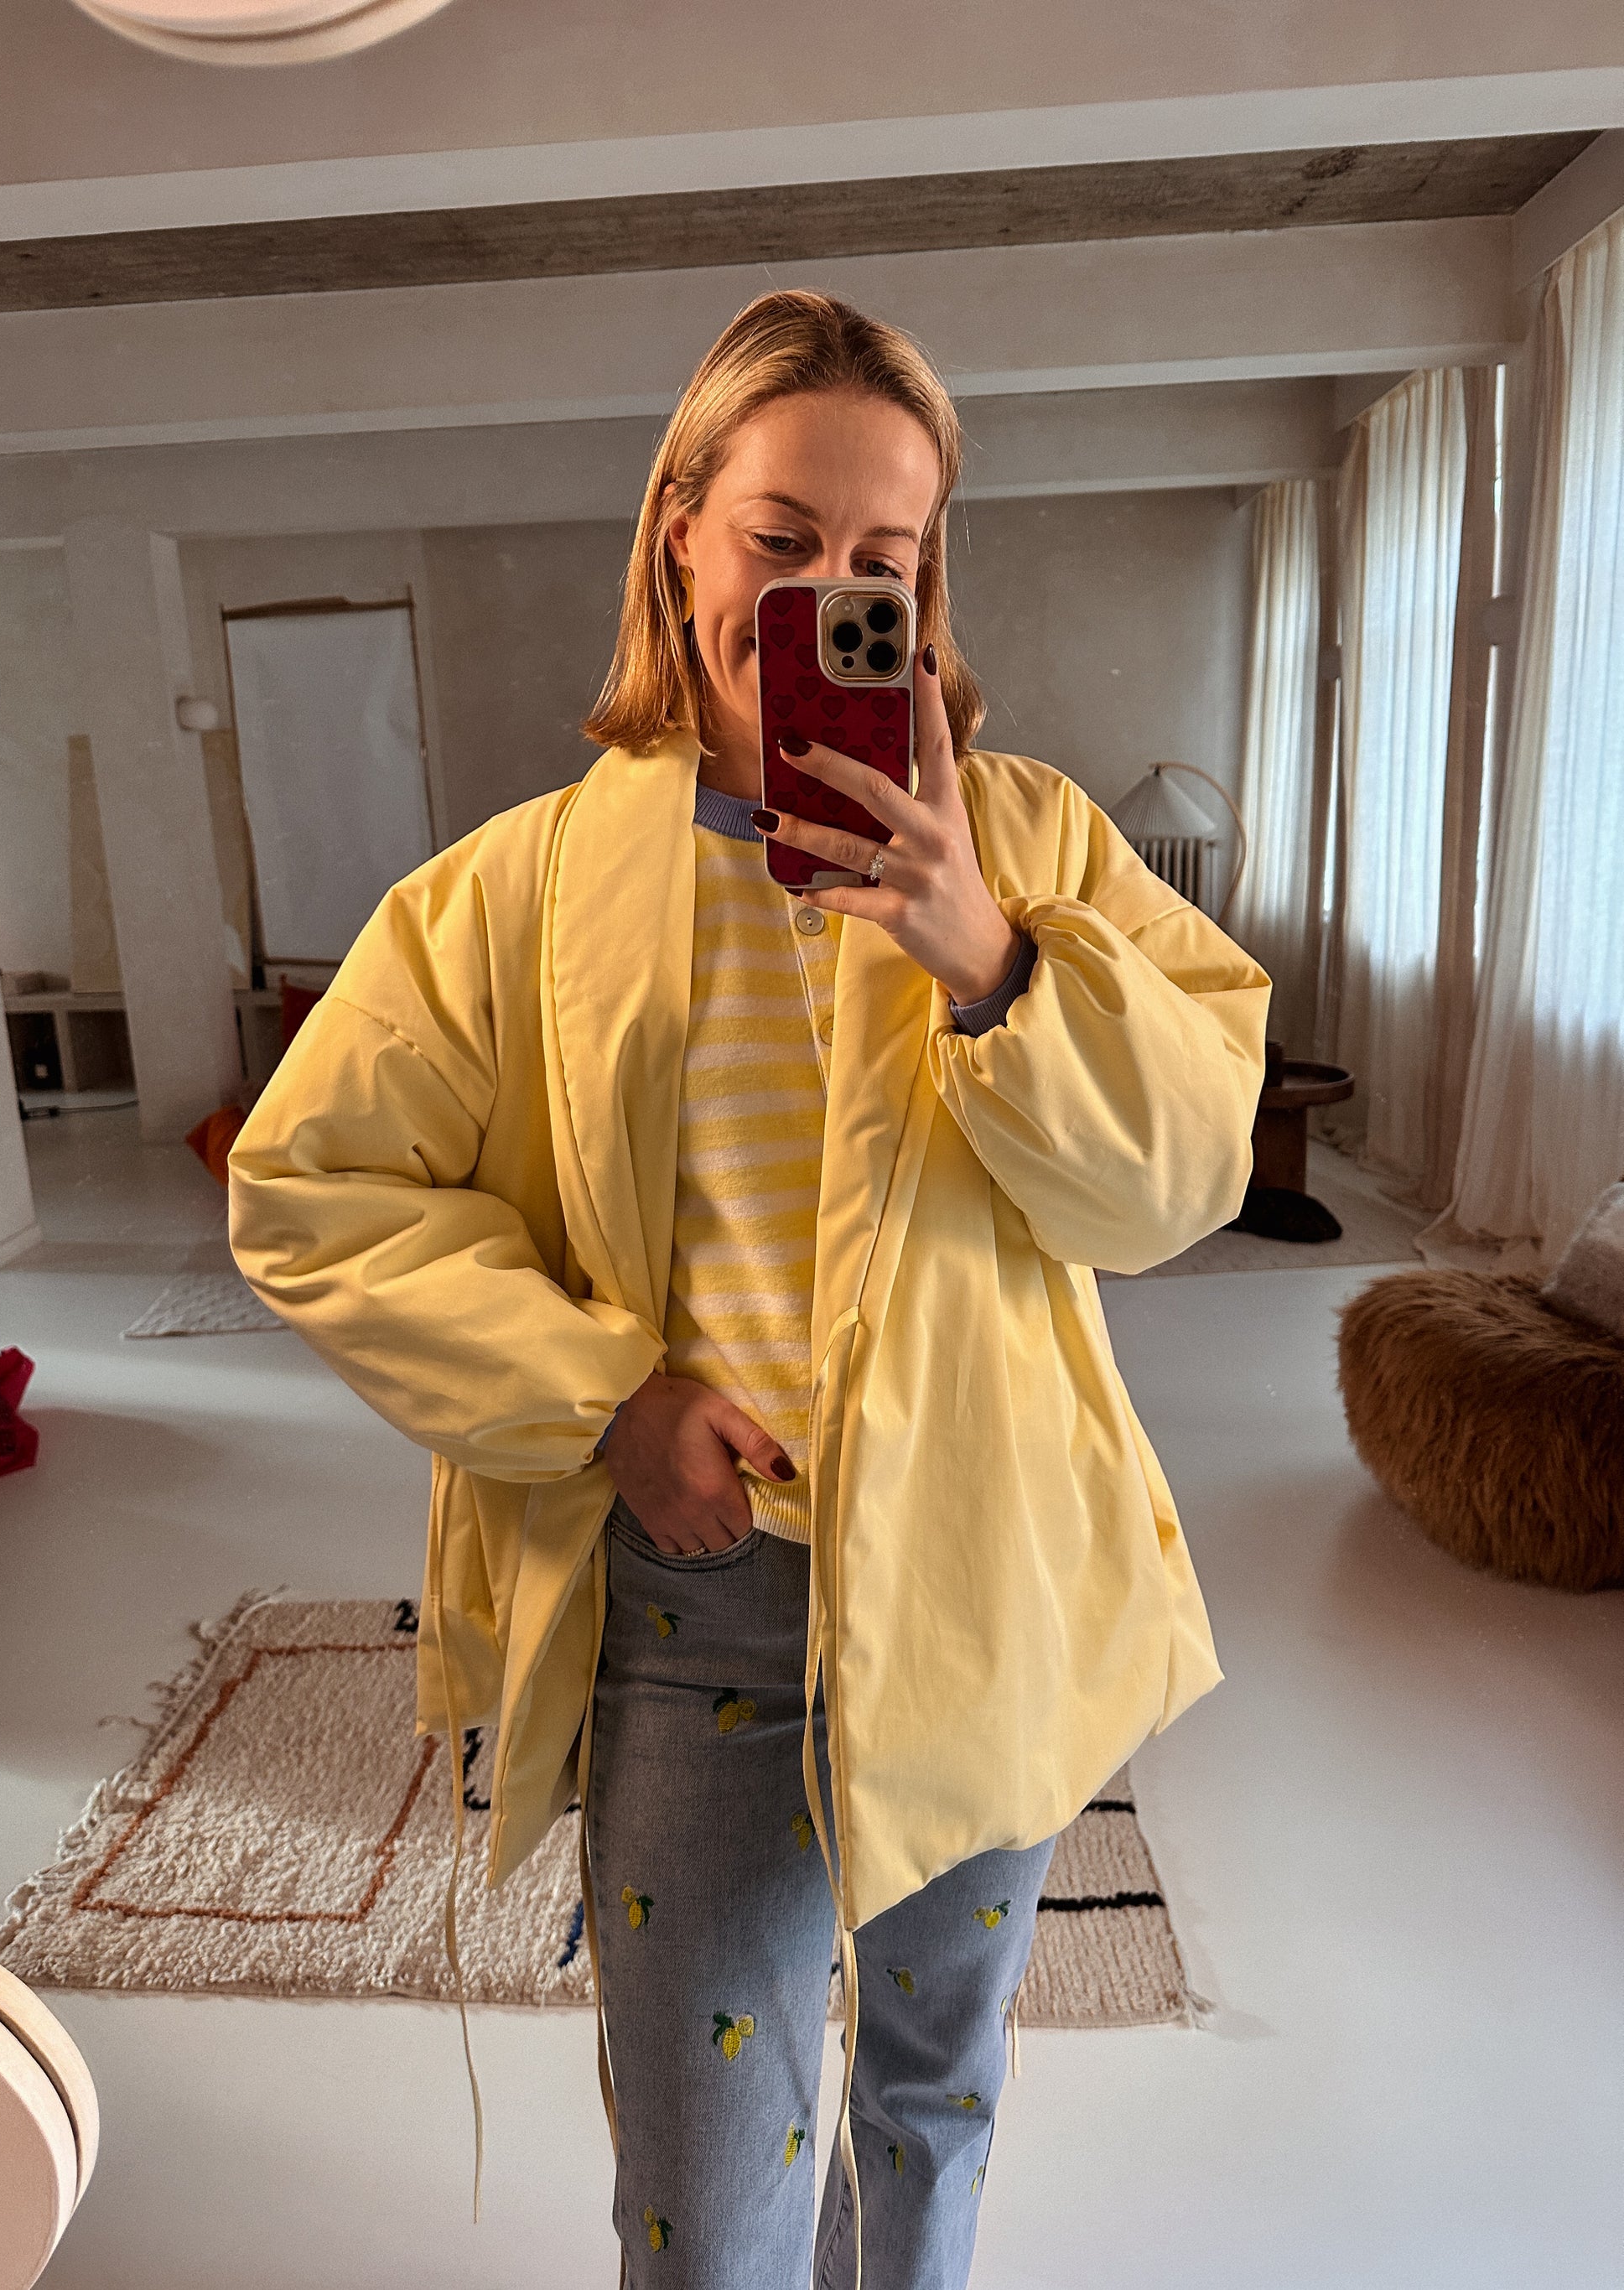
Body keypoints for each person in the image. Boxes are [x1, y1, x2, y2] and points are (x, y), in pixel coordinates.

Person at [228, 289, 1271, 2290]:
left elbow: (1176, 1180)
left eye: (883, 554)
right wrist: (602, 1398)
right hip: (693, 1607)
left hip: (983, 1585)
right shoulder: (516, 890)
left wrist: (992, 961)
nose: (824, 591)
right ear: (679, 534)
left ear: (926, 581)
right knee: (704, 2210)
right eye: (780, 538)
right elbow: (307, 1188)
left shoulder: (1033, 845)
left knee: (929, 2113)